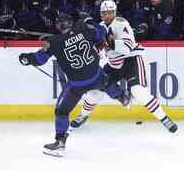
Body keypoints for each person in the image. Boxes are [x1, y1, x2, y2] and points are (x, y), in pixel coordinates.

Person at [19, 11, 130, 157]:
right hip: (95, 75)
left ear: (58, 27)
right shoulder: (82, 28)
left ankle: (60, 142)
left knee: (61, 111)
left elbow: (38, 59)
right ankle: (122, 97)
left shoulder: (54, 42)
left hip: (77, 84)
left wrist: (26, 58)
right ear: (71, 22)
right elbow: (101, 31)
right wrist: (90, 21)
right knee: (105, 81)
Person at [70, 0, 178, 134]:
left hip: (131, 60)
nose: (107, 15)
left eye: (110, 12)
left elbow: (127, 47)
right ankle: (83, 115)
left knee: (138, 92)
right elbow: (97, 51)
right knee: (94, 91)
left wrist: (110, 42)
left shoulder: (121, 23)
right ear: (101, 15)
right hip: (113, 64)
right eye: (105, 13)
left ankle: (164, 118)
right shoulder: (100, 27)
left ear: (115, 13)